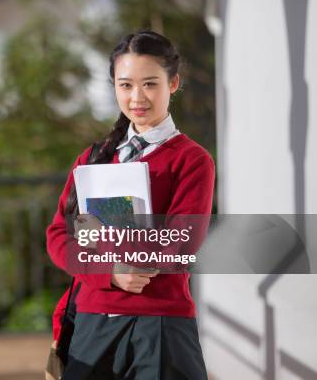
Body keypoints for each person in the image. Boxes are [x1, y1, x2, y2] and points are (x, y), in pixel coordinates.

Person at [46, 30, 214, 379]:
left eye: (150, 84)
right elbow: (60, 236)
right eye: (125, 85)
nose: (137, 97)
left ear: (174, 83)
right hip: (93, 321)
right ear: (114, 88)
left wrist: (98, 241)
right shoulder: (92, 159)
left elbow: (181, 242)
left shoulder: (191, 160)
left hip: (160, 325)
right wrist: (110, 272)